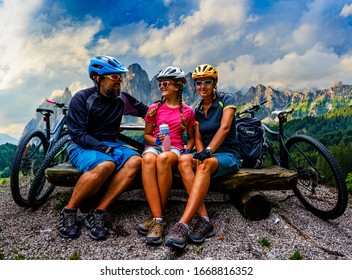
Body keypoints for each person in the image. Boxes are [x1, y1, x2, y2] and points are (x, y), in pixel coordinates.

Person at [58, 55, 148, 240]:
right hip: (81, 145)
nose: (120, 81)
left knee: (136, 161)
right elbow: (78, 134)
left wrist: (176, 114)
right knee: (106, 164)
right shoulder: (82, 98)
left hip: (111, 145)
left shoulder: (122, 99)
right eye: (114, 77)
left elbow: (147, 111)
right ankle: (68, 211)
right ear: (98, 78)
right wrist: (104, 149)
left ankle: (98, 212)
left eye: (120, 76)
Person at [164, 64, 241, 249]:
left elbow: (225, 128)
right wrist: (200, 153)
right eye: (198, 83)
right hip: (208, 153)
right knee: (184, 160)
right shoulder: (197, 110)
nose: (203, 86)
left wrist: (208, 152)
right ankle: (205, 219)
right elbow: (197, 137)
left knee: (204, 165)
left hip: (227, 154)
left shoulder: (226, 100)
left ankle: (183, 223)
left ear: (215, 83)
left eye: (207, 82)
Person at [135, 66, 196, 245]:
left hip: (175, 148)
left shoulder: (187, 111)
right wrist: (157, 140)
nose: (162, 85)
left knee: (162, 159)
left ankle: (156, 219)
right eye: (160, 83)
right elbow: (146, 136)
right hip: (155, 146)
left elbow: (191, 138)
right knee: (146, 159)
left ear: (177, 86)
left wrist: (186, 151)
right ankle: (158, 219)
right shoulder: (154, 108)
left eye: (166, 83)